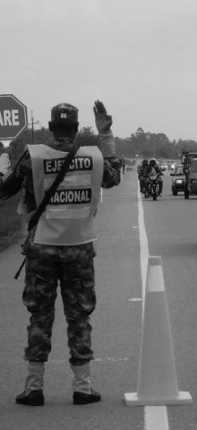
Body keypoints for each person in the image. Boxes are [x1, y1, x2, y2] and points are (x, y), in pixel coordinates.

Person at [0, 100, 121, 406]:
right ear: (78, 129)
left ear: (52, 128)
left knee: (40, 315)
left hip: (42, 248)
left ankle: (33, 387)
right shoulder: (92, 157)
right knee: (78, 316)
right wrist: (105, 135)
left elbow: (6, 188)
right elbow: (114, 176)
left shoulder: (34, 156)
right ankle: (82, 387)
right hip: (79, 248)